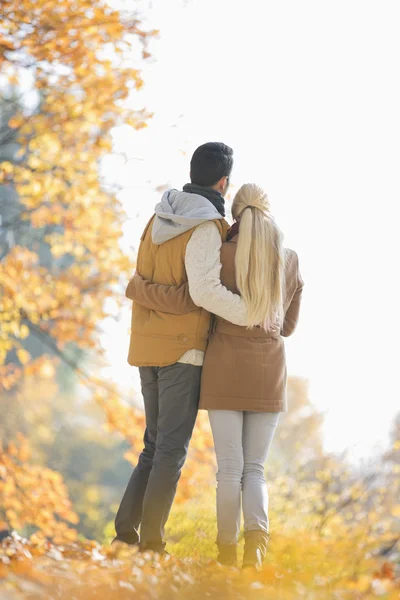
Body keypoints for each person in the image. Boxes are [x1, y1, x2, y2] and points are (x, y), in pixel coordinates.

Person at [129, 183, 304, 569]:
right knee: (255, 469)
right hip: (269, 370)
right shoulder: (289, 260)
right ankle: (255, 545)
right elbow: (288, 326)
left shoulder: (223, 253)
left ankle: (226, 552)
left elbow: (203, 302)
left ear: (236, 216)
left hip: (224, 366)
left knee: (229, 467)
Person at [113, 143, 248, 553]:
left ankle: (126, 531)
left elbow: (141, 281)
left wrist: (148, 292)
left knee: (154, 445)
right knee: (170, 449)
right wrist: (249, 312)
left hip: (146, 345)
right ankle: (151, 542)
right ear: (224, 182)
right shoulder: (206, 226)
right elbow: (204, 292)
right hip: (182, 351)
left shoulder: (158, 215)